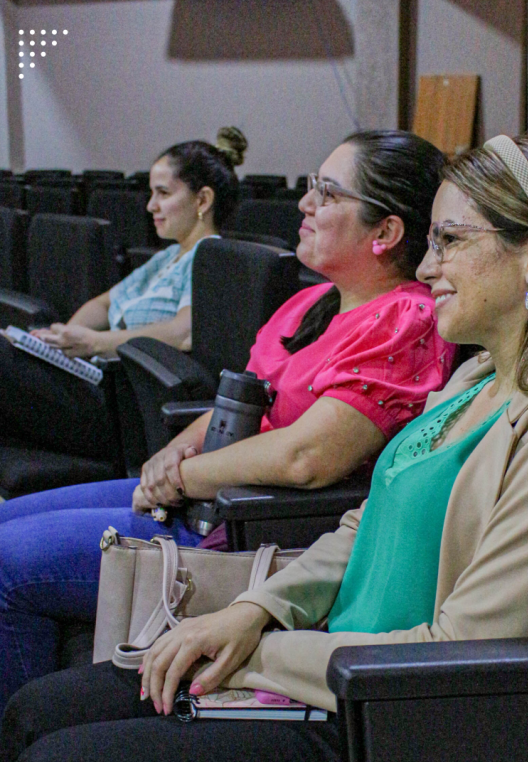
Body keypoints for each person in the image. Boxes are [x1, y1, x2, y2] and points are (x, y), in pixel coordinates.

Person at [0, 134, 528, 762]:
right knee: (34, 713)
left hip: (391, 743)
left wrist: (263, 656)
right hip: (327, 679)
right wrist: (254, 608)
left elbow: (455, 656)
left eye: (451, 240)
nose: (425, 268)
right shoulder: (479, 380)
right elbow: (365, 526)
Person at [0, 130, 453, 714]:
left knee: (8, 564)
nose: (305, 204)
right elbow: (243, 401)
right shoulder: (313, 302)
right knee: (7, 518)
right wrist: (176, 454)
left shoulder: (405, 318)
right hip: (208, 499)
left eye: (327, 193)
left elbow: (308, 457)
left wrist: (189, 477)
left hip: (251, 531)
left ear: (386, 233)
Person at [0, 126, 247, 461]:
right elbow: (104, 303)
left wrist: (93, 342)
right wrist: (61, 345)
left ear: (202, 200)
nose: (150, 206)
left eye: (163, 193)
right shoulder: (167, 257)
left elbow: (183, 332)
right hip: (101, 386)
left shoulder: (210, 258)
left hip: (128, 411)